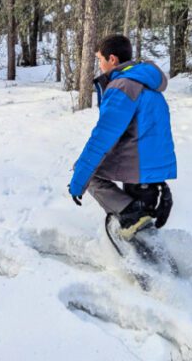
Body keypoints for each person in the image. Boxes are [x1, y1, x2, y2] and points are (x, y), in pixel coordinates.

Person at [68, 34, 176, 239]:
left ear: (113, 60)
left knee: (87, 174)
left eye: (100, 59)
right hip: (150, 168)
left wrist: (78, 182)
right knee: (144, 235)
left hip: (136, 165)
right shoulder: (147, 83)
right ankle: (147, 242)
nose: (99, 65)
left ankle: (130, 214)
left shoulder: (123, 87)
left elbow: (102, 138)